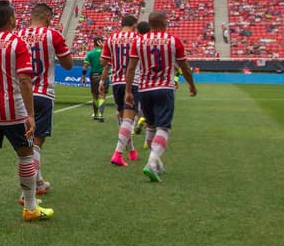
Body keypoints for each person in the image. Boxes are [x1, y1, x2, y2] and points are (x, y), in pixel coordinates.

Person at [0, 0, 51, 224]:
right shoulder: (18, 43)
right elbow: (25, 80)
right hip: (13, 109)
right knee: (25, 155)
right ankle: (31, 208)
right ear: (11, 19)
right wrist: (30, 114)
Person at [124, 11, 198, 182]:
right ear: (165, 22)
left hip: (144, 89)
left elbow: (131, 68)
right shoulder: (173, 41)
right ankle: (151, 162)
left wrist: (129, 91)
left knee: (150, 126)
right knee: (163, 127)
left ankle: (156, 163)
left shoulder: (139, 40)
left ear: (149, 24)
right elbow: (185, 67)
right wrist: (192, 86)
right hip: (164, 88)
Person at [16, 3, 73, 196]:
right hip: (42, 93)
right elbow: (68, 64)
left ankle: (38, 181)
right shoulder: (53, 35)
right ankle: (28, 190)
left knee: (27, 142)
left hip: (20, 94)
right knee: (36, 143)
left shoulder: (17, 35)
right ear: (48, 18)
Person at [104, 15, 141, 165]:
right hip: (132, 81)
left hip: (116, 81)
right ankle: (118, 154)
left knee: (123, 117)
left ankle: (131, 150)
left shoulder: (111, 38)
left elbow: (104, 60)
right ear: (134, 25)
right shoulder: (137, 38)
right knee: (129, 118)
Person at [81, 37, 106, 121]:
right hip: (104, 76)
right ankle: (100, 114)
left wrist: (83, 77)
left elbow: (85, 67)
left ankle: (95, 114)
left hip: (94, 76)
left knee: (95, 95)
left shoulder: (90, 54)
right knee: (102, 95)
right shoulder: (105, 53)